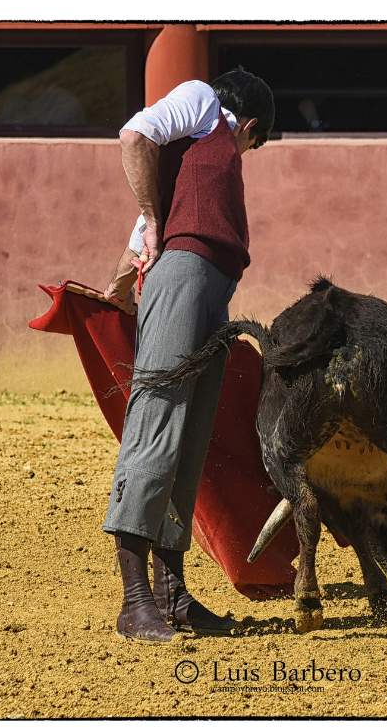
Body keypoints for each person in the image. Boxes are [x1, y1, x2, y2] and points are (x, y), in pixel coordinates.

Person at [103, 68, 274, 642]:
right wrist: (155, 222)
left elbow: (140, 236)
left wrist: (118, 286)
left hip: (207, 292)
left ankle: (171, 594)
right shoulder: (203, 102)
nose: (244, 153)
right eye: (252, 143)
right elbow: (134, 134)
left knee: (187, 439)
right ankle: (135, 602)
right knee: (156, 427)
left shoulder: (188, 156)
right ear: (248, 125)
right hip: (185, 280)